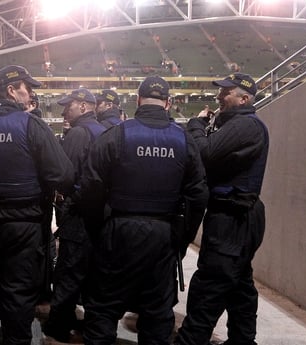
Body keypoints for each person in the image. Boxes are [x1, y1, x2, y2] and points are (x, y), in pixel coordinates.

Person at [76, 76, 209, 345]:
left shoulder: (115, 135)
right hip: (162, 233)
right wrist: (181, 238)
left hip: (119, 230)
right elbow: (198, 195)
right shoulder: (184, 140)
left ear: (137, 100)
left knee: (103, 308)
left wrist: (98, 229)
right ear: (168, 103)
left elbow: (90, 188)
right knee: (157, 312)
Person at [0, 65, 75, 345]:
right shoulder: (32, 125)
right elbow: (64, 174)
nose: (31, 93)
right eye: (27, 87)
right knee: (17, 293)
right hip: (24, 226)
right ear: (11, 90)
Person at [175, 73, 269, 345]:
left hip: (234, 217)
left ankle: (190, 341)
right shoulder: (236, 124)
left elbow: (205, 153)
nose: (219, 96)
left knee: (210, 286)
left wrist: (195, 126)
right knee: (239, 286)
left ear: (244, 98)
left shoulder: (245, 125)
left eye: (226, 92)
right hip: (236, 217)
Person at [43, 88, 106, 342]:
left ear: (82, 106)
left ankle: (59, 324)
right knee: (93, 274)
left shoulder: (78, 133)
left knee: (68, 271)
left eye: (68, 106)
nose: (63, 111)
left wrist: (63, 201)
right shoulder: (104, 131)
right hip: (100, 215)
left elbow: (63, 173)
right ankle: (92, 324)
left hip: (78, 213)